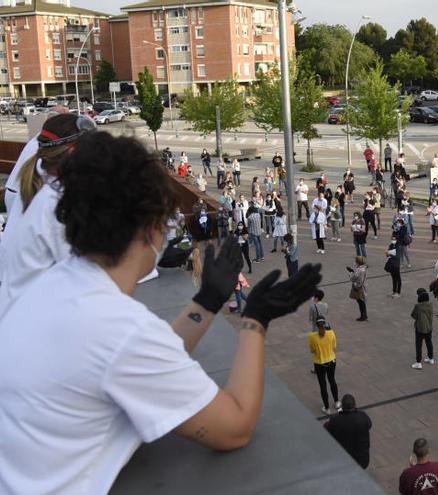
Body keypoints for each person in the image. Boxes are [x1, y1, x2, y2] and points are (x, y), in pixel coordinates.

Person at [0, 132, 322, 493]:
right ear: (151, 227)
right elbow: (235, 426)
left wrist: (208, 301)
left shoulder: (52, 286)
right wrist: (256, 321)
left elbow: (147, 360)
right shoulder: (116, 328)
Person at [0, 113, 95, 320]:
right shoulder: (59, 203)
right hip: (30, 321)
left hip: (16, 313)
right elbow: (84, 277)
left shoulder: (36, 187)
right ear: (74, 152)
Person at [309, 318, 340, 415]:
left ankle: (327, 408)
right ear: (325, 323)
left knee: (323, 385)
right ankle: (337, 402)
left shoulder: (312, 336)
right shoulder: (331, 333)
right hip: (331, 361)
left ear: (316, 325)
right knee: (332, 380)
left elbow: (312, 350)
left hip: (319, 363)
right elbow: (334, 347)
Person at [411, 288, 435, 369]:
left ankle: (418, 362)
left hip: (420, 328)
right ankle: (430, 358)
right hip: (429, 327)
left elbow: (413, 315)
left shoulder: (417, 306)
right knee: (429, 342)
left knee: (418, 345)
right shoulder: (430, 305)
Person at [348, 256, 368, 321]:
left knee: (360, 301)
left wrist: (351, 273)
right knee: (361, 301)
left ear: (358, 262)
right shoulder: (362, 268)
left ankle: (363, 316)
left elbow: (354, 278)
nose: (354, 262)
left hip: (359, 288)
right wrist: (353, 271)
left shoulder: (360, 270)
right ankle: (364, 315)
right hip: (361, 287)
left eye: (355, 261)